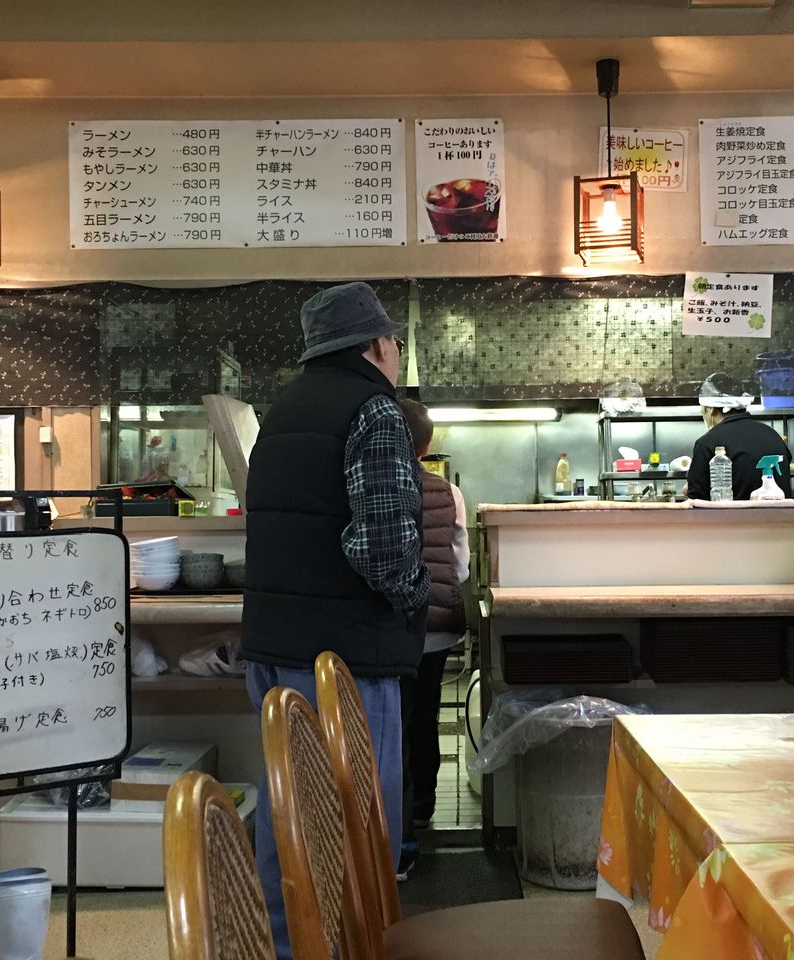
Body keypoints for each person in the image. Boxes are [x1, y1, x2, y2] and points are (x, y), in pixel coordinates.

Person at [241, 281, 429, 960]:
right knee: (357, 832)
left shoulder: (282, 410)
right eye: (395, 341)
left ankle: (287, 949)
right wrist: (416, 594)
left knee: (289, 823)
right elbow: (383, 549)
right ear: (377, 345)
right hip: (343, 660)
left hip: (272, 649)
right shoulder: (374, 409)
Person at [396, 400, 471, 879]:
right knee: (426, 716)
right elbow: (460, 566)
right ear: (427, 447)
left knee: (392, 722)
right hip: (436, 626)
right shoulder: (448, 491)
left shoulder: (373, 483)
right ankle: (424, 806)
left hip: (391, 627)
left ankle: (397, 828)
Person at [687, 372, 794, 501]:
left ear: (710, 409)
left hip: (733, 515)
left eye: (703, 409)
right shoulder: (774, 436)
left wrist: (688, 491)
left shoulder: (707, 443)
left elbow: (697, 502)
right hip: (783, 514)